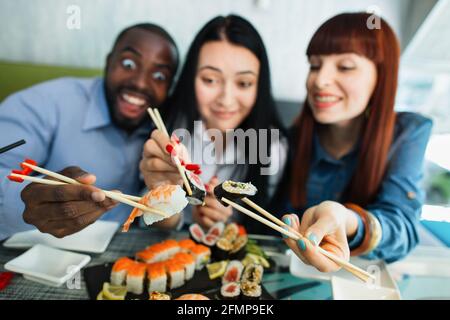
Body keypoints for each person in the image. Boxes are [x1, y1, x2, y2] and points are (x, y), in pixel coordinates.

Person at [278, 13, 432, 272]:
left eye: (345, 66)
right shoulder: (293, 137)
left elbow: (404, 226)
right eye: (315, 65)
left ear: (381, 77)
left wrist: (347, 220)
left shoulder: (408, 132)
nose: (320, 80)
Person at [0, 23, 179, 240]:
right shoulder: (46, 103)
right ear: (108, 62)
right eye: (129, 64)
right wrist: (28, 203)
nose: (140, 83)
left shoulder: (167, 127)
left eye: (159, 76)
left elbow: (160, 218)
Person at [140, 15, 287, 232]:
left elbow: (261, 225)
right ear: (191, 78)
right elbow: (149, 220)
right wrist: (168, 202)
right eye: (210, 80)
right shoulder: (167, 128)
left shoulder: (272, 148)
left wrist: (224, 227)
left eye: (244, 83)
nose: (226, 99)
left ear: (259, 86)